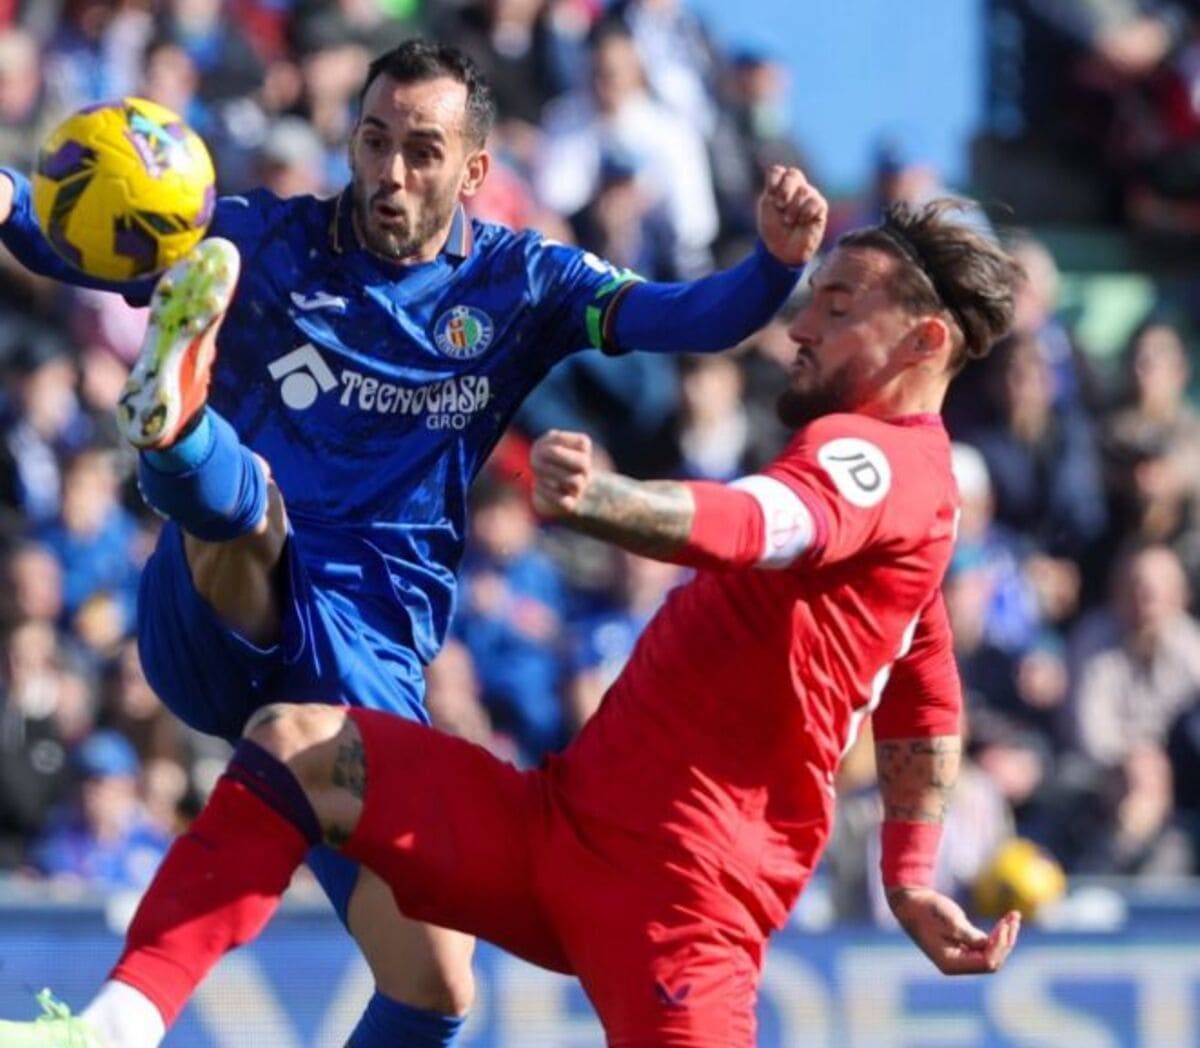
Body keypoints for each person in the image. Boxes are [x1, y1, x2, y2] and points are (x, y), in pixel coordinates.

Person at [0, 198, 1024, 1046]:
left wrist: (609, 503)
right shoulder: (914, 521)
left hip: (682, 909)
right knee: (301, 744)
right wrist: (909, 874)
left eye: (839, 303)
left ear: (924, 340)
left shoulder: (881, 458)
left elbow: (756, 521)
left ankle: (187, 447)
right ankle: (111, 1029)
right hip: (556, 830)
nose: (801, 324)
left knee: (421, 956)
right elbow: (923, 690)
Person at [0, 37, 824, 1048]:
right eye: (374, 139)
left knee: (435, 988)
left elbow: (684, 318)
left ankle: (108, 1027)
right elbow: (76, 237)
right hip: (223, 603)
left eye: (422, 150)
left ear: (476, 171)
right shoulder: (264, 240)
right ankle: (176, 430)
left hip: (370, 652)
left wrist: (777, 263)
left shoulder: (524, 284)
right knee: (253, 510)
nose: (391, 171)